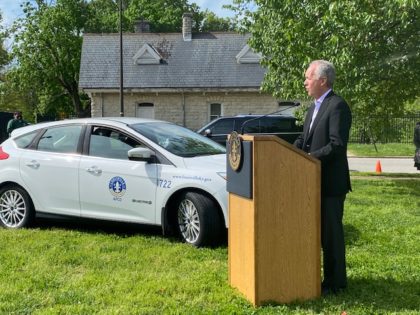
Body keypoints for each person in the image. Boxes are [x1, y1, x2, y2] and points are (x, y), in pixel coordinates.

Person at [294, 60, 352, 295]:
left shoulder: (337, 106)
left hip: (330, 184)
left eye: (308, 77)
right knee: (315, 233)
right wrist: (288, 152)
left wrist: (309, 158)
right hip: (312, 184)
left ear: (322, 80)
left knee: (331, 236)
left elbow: (337, 145)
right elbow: (304, 139)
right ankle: (314, 276)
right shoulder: (313, 107)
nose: (305, 82)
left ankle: (335, 283)